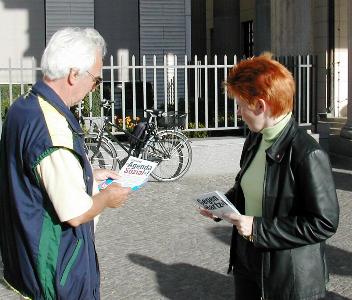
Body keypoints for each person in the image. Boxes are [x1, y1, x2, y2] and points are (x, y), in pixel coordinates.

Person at [0, 27, 130, 299]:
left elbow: (36, 176)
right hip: (57, 271)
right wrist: (108, 197)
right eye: (96, 80)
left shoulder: (23, 107)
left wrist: (87, 175)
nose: (93, 88)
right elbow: (76, 213)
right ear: (74, 75)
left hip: (26, 259)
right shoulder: (53, 130)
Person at [199, 53, 339, 300]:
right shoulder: (256, 138)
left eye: (241, 105)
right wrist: (224, 205)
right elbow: (248, 187)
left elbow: (323, 222)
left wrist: (257, 228)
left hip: (289, 276)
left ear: (261, 105)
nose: (239, 113)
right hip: (247, 262)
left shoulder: (307, 153)